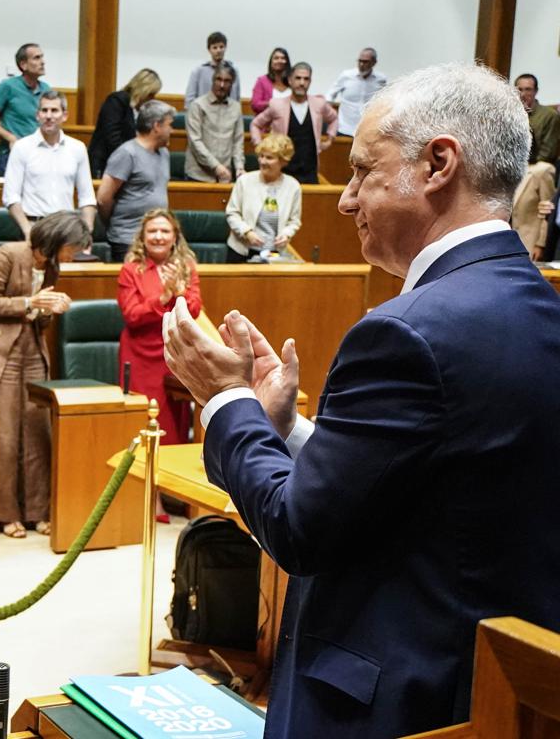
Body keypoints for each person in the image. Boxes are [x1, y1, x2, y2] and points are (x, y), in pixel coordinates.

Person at [162, 62, 560, 738]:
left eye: (363, 172)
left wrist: (225, 400)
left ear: (438, 164)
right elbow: (433, 484)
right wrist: (285, 431)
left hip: (391, 700)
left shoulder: (406, 330)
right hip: (490, 694)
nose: (345, 201)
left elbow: (299, 530)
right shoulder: (538, 307)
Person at [0, 212, 89, 538]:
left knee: (37, 434)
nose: (73, 255)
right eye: (72, 248)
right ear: (57, 240)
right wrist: (29, 301)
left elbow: (38, 317)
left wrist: (48, 310)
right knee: (5, 438)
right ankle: (6, 515)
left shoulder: (51, 266)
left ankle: (37, 511)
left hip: (33, 351)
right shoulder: (8, 254)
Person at [116, 208, 200, 445]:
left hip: (173, 354)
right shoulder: (130, 270)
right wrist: (163, 297)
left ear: (175, 236)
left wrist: (180, 292)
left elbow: (193, 310)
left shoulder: (186, 267)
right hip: (139, 355)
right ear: (143, 237)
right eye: (152, 231)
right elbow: (132, 315)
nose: (159, 236)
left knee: (173, 423)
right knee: (142, 420)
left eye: (165, 231)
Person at [2, 90, 95, 236]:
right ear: (37, 115)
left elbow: (87, 197)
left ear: (65, 115)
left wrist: (87, 233)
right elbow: (11, 197)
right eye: (44, 110)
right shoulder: (21, 147)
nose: (49, 116)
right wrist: (28, 230)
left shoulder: (78, 148)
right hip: (34, 226)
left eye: (54, 111)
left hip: (66, 229)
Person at [97, 100, 175, 261]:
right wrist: (116, 223)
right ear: (156, 126)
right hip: (128, 239)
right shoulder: (127, 153)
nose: (172, 131)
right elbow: (103, 198)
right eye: (169, 125)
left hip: (157, 238)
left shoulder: (164, 153)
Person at [250, 62, 338, 184]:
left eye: (306, 79)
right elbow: (256, 124)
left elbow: (334, 118)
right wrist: (260, 146)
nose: (302, 83)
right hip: (282, 168)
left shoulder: (319, 104)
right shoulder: (277, 104)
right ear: (290, 80)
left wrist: (330, 138)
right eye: (298, 78)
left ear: (310, 82)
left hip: (310, 170)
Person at [224, 133, 303, 262]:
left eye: (269, 158)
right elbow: (232, 213)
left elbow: (294, 221)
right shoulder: (244, 181)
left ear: (283, 161)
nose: (263, 161)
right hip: (241, 252)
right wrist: (247, 232)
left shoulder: (293, 186)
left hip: (274, 254)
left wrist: (286, 234)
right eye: (261, 156)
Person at [511, 74, 558, 259]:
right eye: (519, 89)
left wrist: (541, 243)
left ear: (536, 91)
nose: (523, 93)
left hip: (535, 171)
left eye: (528, 89)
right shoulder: (512, 114)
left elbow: (547, 153)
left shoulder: (548, 116)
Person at [0, 43, 49, 175]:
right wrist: (11, 138)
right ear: (23, 65)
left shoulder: (46, 89)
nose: (43, 62)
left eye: (42, 57)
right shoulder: (8, 86)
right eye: (37, 58)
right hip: (13, 154)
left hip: (39, 154)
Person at [88, 68, 162, 178]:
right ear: (143, 89)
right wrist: (131, 159)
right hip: (105, 163)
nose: (152, 99)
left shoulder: (141, 109)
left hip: (125, 165)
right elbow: (112, 137)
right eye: (151, 94)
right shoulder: (117, 100)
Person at [185, 63, 245, 183]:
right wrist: (216, 166)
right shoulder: (198, 105)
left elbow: (238, 142)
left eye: (227, 81)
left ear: (232, 84)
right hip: (199, 175)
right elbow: (195, 141)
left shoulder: (236, 107)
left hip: (225, 176)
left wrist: (239, 167)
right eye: (219, 79)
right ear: (213, 80)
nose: (222, 85)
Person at [327, 47, 386, 137]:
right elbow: (330, 94)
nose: (361, 64)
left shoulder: (381, 80)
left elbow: (384, 100)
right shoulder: (346, 75)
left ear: (374, 63)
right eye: (359, 61)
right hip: (345, 128)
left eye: (365, 62)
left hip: (367, 130)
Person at [184, 31, 240, 107]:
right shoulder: (198, 71)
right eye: (215, 47)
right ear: (209, 50)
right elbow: (189, 100)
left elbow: (236, 99)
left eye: (221, 47)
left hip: (226, 115)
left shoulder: (233, 70)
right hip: (202, 114)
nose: (218, 50)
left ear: (225, 48)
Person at [250, 47, 291, 116]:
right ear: (271, 62)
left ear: (287, 62)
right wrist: (273, 103)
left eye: (283, 58)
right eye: (276, 58)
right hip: (267, 124)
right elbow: (255, 105)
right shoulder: (262, 81)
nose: (279, 61)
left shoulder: (292, 81)